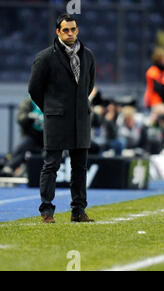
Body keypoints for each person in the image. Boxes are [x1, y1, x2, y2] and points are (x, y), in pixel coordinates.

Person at [28, 13, 96, 224]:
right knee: (51, 165)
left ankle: (78, 211)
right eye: (65, 30)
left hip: (81, 119)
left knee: (80, 167)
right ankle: (47, 211)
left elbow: (88, 86)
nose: (70, 33)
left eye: (73, 29)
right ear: (58, 32)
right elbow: (34, 89)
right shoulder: (45, 57)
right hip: (57, 119)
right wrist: (51, 108)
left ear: (77, 30)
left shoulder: (88, 56)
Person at [0, 98, 43, 177]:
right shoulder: (29, 101)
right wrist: (29, 116)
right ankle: (8, 167)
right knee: (25, 144)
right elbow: (20, 118)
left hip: (49, 137)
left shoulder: (52, 100)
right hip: (31, 136)